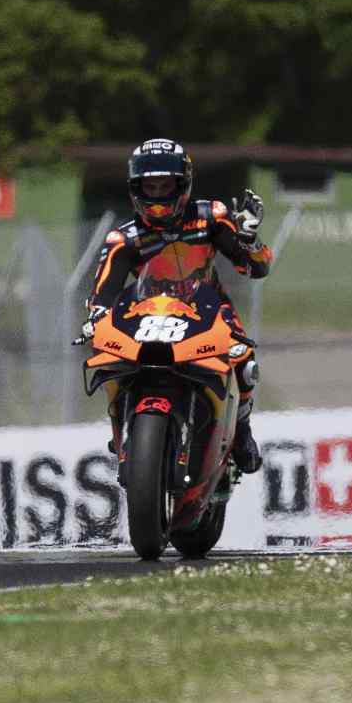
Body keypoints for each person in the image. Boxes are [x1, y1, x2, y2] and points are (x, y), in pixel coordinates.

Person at [81, 138, 273, 473]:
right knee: (109, 359)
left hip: (207, 307)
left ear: (182, 185)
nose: (157, 195)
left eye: (165, 185)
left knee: (243, 361)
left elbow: (255, 267)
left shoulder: (211, 217)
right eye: (149, 186)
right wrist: (97, 316)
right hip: (145, 313)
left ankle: (242, 432)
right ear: (136, 189)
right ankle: (123, 427)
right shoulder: (122, 238)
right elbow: (104, 291)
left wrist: (249, 239)